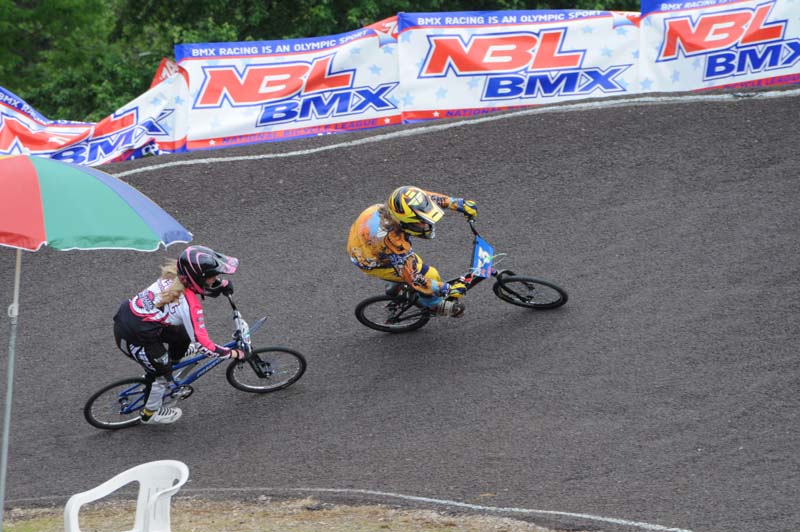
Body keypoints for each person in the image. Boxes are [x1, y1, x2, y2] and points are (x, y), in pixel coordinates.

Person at [113, 245, 245, 425]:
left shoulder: (175, 275)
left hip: (135, 322)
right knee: (161, 375)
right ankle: (150, 413)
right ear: (198, 278)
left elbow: (198, 286)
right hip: (134, 338)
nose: (216, 278)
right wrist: (233, 353)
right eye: (213, 276)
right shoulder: (190, 306)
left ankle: (173, 360)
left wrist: (219, 285)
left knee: (182, 335)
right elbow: (204, 346)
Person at [348, 186, 478, 317]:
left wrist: (457, 203)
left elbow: (425, 200)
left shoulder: (396, 208)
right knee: (430, 274)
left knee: (415, 265)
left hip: (361, 243)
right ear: (403, 222)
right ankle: (434, 305)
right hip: (372, 261)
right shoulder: (395, 242)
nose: (425, 225)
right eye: (420, 223)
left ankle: (395, 286)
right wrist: (447, 289)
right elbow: (415, 279)